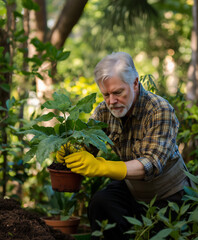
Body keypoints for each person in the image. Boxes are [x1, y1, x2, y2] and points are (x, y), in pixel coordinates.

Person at [63, 52, 191, 239]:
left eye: (117, 92)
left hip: (170, 194)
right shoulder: (103, 112)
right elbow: (86, 146)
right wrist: (68, 150)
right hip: (134, 190)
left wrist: (102, 166)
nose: (111, 101)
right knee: (101, 203)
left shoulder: (159, 110)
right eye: (105, 94)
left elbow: (151, 164)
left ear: (135, 83)